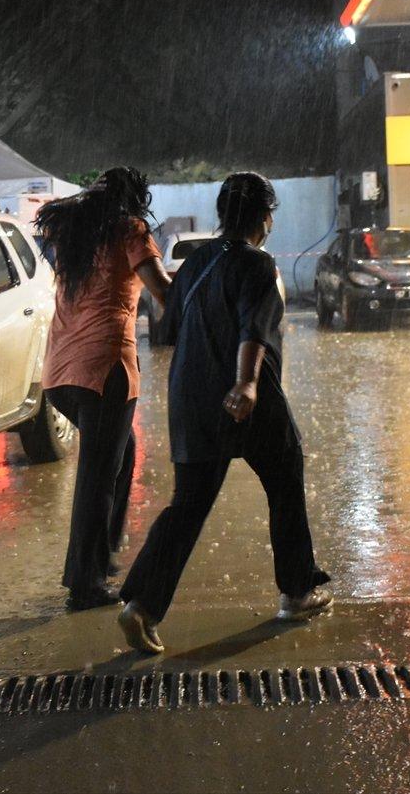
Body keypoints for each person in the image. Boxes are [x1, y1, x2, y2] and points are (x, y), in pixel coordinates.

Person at [117, 172, 331, 654]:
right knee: (285, 475)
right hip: (244, 396)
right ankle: (297, 592)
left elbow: (170, 325)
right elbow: (254, 330)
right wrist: (247, 383)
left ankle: (142, 607)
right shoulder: (257, 264)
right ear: (263, 217)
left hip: (191, 396)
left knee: (188, 504)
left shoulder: (194, 265)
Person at [34, 167, 171, 611]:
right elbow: (162, 293)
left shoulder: (75, 234)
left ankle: (103, 553)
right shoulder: (130, 230)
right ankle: (84, 583)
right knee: (96, 477)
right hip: (104, 369)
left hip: (60, 374)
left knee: (121, 451)